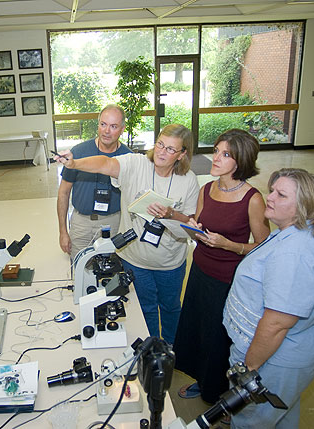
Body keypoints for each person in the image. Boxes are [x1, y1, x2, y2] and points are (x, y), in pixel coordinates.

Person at [55, 124, 200, 344]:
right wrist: (75, 164)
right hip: (135, 259)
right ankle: (151, 349)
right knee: (145, 309)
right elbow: (105, 163)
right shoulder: (137, 163)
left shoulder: (189, 180)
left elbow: (191, 226)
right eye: (160, 144)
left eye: (171, 149)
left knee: (170, 308)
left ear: (182, 155)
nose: (162, 152)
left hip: (169, 262)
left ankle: (171, 350)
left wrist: (170, 214)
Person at [222, 168, 314, 428]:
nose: (270, 197)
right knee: (281, 413)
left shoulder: (294, 254)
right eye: (272, 190)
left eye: (281, 195)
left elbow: (277, 324)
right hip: (291, 354)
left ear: (304, 206)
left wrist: (247, 369)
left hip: (272, 360)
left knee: (251, 420)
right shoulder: (299, 231)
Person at [174, 129, 270, 404]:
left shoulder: (252, 199)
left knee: (218, 338)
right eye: (216, 150)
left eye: (225, 154)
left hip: (227, 280)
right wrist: (192, 228)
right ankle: (203, 382)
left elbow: (265, 247)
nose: (215, 158)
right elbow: (202, 229)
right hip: (200, 271)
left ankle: (219, 394)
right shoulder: (208, 188)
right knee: (198, 330)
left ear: (240, 161)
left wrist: (230, 245)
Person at [57, 105, 132, 259]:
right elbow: (63, 193)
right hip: (81, 223)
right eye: (103, 124)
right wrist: (63, 232)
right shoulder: (78, 153)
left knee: (109, 272)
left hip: (113, 223)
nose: (106, 131)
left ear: (122, 129)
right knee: (79, 270)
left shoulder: (129, 158)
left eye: (113, 126)